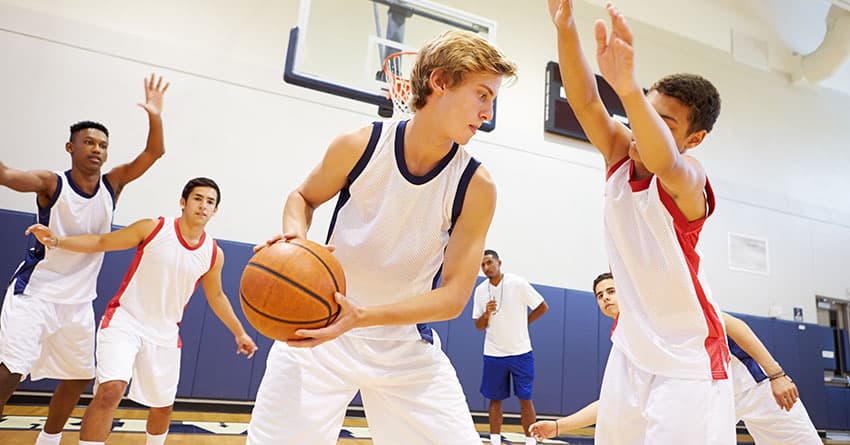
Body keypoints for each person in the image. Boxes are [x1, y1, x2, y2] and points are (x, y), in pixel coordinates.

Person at [247, 29, 517, 445]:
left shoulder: (475, 185)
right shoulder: (361, 144)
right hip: (317, 334)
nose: (487, 113)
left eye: (492, 100)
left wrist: (362, 316)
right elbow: (302, 197)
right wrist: (294, 244)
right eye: (482, 95)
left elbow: (453, 298)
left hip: (403, 347)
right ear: (440, 82)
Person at [548, 1, 733, 443]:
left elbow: (664, 160)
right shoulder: (619, 153)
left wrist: (630, 90)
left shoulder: (689, 178)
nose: (639, 125)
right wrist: (566, 28)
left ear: (694, 138)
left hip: (688, 356)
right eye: (640, 113)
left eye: (661, 121)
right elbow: (585, 101)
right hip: (631, 349)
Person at [0, 74, 169, 445]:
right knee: (10, 372)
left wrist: (155, 116)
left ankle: (48, 439)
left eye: (103, 145)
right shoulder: (51, 183)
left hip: (77, 302)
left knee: (78, 376)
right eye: (89, 142)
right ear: (70, 147)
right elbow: (8, 176)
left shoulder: (113, 184)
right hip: (35, 294)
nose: (97, 149)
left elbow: (153, 153)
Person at [26, 177, 258, 445]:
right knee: (111, 390)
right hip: (124, 321)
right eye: (197, 198)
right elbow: (102, 241)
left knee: (163, 406)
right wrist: (57, 241)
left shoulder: (213, 253)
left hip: (165, 333)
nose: (203, 206)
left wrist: (240, 333)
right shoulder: (154, 228)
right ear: (183, 202)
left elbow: (216, 296)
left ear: (215, 211)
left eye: (210, 202)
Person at [529, 273, 821, 445]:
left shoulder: (663, 307)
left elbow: (735, 326)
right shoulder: (624, 340)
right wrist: (560, 426)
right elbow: (614, 401)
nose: (605, 297)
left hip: (756, 389)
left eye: (611, 290)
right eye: (599, 295)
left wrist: (776, 375)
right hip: (712, 400)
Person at [473, 249, 548, 445]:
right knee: (494, 399)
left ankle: (530, 441)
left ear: (499, 263)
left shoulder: (517, 283)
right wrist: (487, 314)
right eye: (483, 265)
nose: (486, 267)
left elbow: (542, 306)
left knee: (525, 399)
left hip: (520, 352)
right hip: (493, 353)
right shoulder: (480, 291)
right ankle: (495, 441)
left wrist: (525, 323)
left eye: (489, 262)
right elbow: (478, 326)